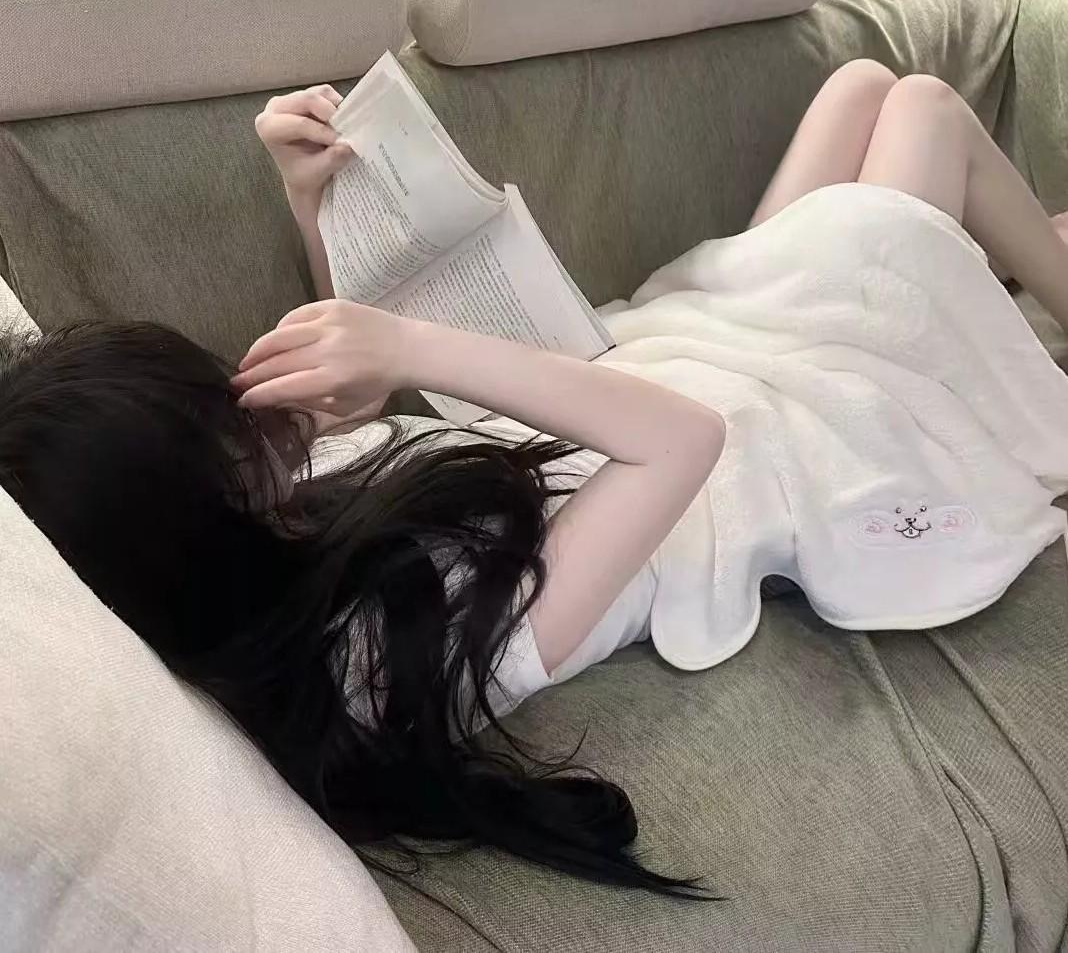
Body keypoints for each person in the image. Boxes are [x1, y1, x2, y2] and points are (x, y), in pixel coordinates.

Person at [2, 60, 1066, 896]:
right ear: (201, 516)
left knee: (861, 88)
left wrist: (313, 201)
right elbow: (684, 443)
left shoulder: (265, 546)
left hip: (643, 366)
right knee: (923, 110)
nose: (262, 415)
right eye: (233, 429)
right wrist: (410, 345)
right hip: (732, 443)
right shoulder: (408, 662)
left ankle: (980, 273)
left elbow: (368, 423)